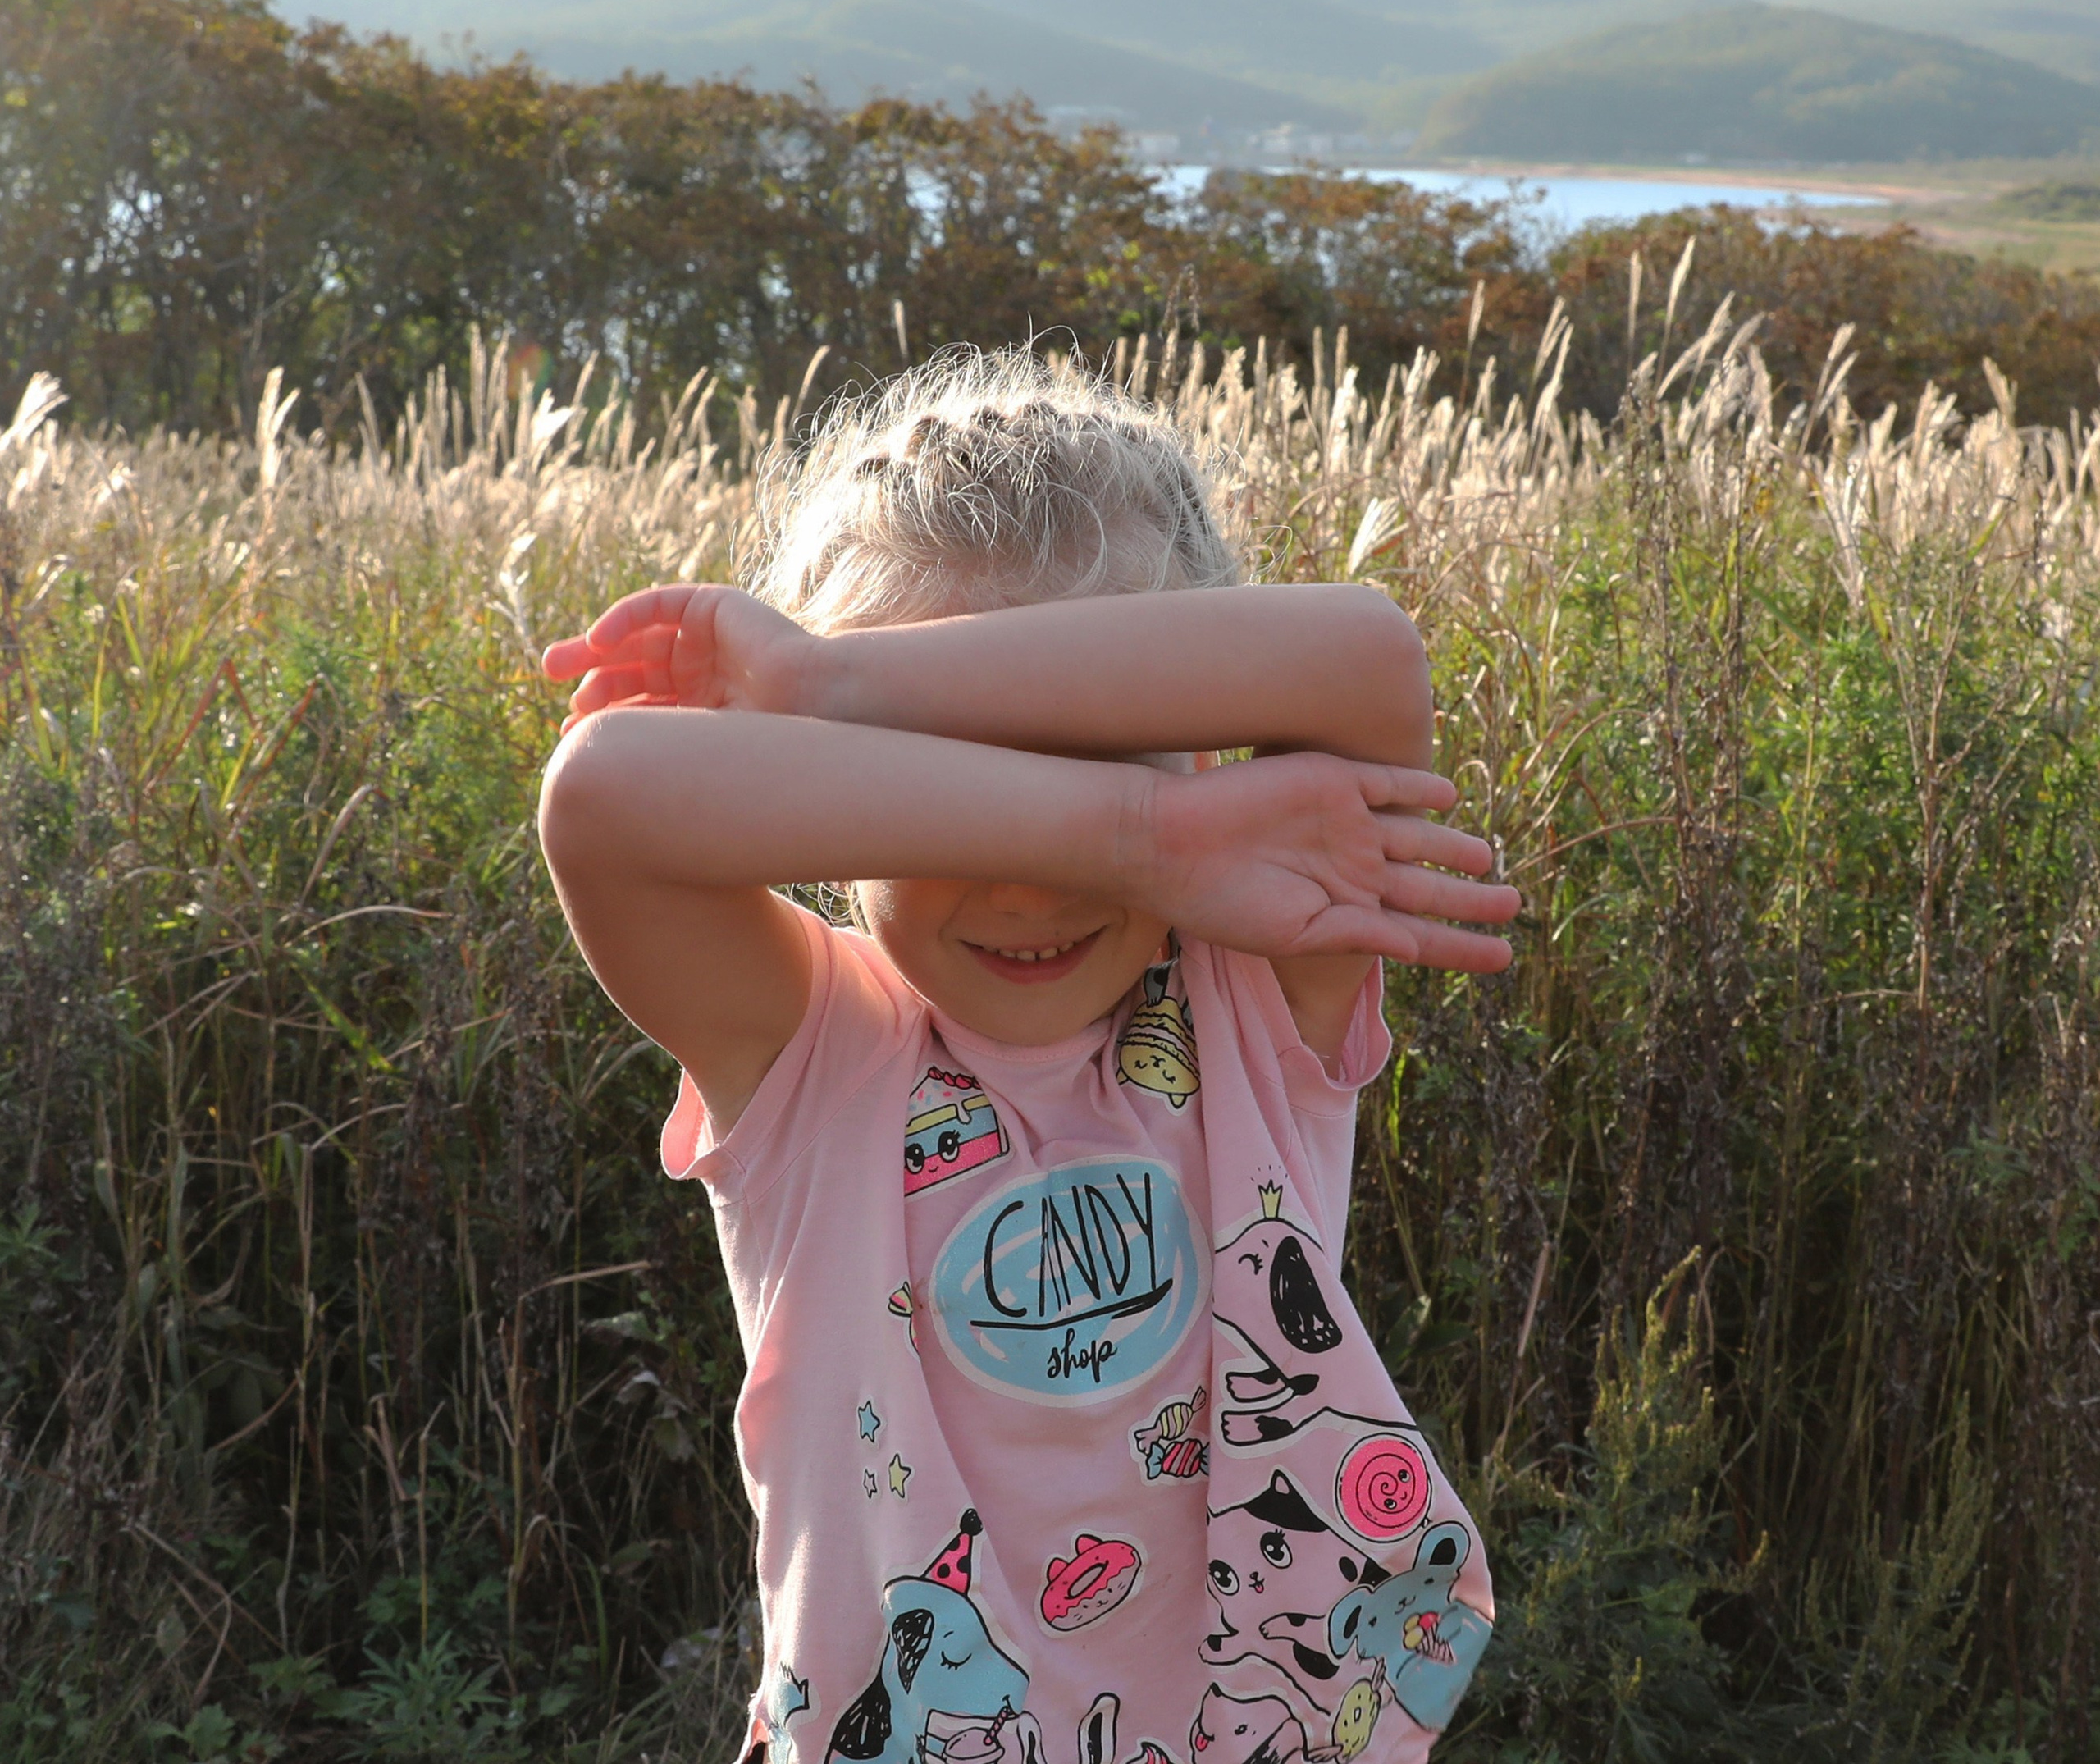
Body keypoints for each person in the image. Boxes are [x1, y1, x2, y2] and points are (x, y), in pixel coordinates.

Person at [537, 352, 1520, 1764]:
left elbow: (1364, 655)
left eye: (1096, 765)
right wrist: (1137, 827)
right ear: (836, 775)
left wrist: (843, 680)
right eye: (960, 787)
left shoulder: (1253, 996)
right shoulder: (819, 1053)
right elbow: (606, 797)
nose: (1021, 886)